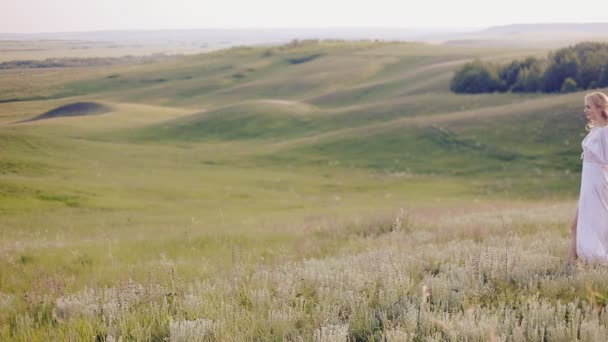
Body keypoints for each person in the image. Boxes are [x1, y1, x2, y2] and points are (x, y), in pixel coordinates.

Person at [570, 91, 608, 264]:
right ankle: (572, 261)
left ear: (599, 108)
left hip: (597, 183)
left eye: (588, 107)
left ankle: (592, 260)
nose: (585, 110)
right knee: (575, 224)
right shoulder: (595, 130)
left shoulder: (605, 132)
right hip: (587, 181)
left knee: (593, 224)